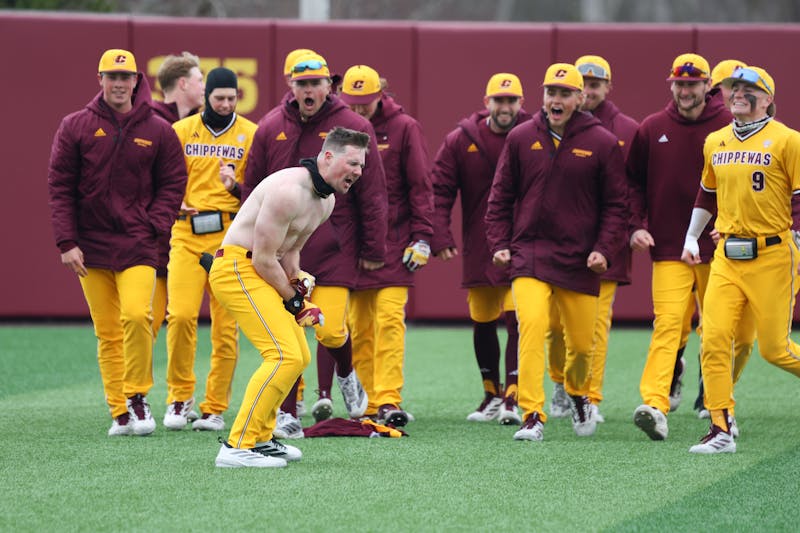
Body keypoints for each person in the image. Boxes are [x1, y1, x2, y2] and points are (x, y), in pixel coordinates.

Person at [243, 52, 388, 438]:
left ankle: (345, 370)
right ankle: (287, 412)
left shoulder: (353, 127)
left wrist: (373, 248)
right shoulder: (270, 125)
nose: (309, 90)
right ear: (290, 84)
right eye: (302, 83)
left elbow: (373, 192)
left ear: (330, 85)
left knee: (329, 329)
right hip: (281, 249)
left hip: (336, 244)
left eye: (316, 83)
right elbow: (251, 184)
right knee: (288, 331)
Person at [211, 126, 370, 468]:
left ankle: (262, 438)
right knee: (283, 354)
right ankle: (236, 446)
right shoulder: (288, 190)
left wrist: (298, 283)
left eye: (361, 166)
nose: (358, 172)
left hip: (261, 270)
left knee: (298, 356)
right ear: (328, 157)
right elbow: (263, 259)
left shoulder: (326, 200)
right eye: (353, 163)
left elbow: (290, 252)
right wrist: (296, 301)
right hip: (236, 268)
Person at [47, 49, 186, 436]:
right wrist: (66, 241)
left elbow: (174, 182)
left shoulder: (158, 129)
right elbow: (60, 187)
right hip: (89, 246)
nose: (119, 84)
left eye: (125, 77)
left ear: (137, 82)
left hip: (138, 244)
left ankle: (137, 396)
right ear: (100, 79)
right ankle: (120, 412)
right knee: (107, 330)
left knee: (138, 316)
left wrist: (154, 225)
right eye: (112, 76)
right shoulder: (75, 125)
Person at [485, 63, 628, 441]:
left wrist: (604, 249)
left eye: (565, 93)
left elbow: (617, 205)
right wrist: (499, 243)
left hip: (581, 259)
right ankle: (533, 413)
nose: (557, 100)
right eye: (551, 92)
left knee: (581, 347)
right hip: (529, 254)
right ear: (543, 96)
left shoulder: (601, 142)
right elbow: (500, 197)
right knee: (530, 327)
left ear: (580, 98)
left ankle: (578, 394)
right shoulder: (519, 137)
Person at [681, 66, 800, 454]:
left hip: (772, 253)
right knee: (713, 340)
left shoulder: (788, 140)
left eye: (749, 89)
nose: (737, 94)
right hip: (728, 256)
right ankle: (720, 426)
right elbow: (706, 194)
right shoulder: (715, 140)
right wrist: (691, 237)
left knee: (774, 349)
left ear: (768, 98)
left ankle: (721, 424)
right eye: (733, 88)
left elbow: (799, 199)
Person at [309, 64, 433, 426]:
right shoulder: (334, 129)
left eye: (367, 102)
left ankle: (389, 399)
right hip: (351, 243)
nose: (360, 110)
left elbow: (421, 187)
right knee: (357, 326)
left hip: (395, 242)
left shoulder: (405, 128)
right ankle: (365, 398)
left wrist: (423, 237)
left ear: (382, 93)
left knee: (390, 320)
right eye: (354, 103)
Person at [626, 53, 733, 441]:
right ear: (671, 85)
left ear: (708, 86)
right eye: (679, 84)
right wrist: (635, 226)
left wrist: (733, 226)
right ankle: (655, 404)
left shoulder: (728, 126)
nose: (685, 90)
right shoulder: (652, 127)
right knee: (668, 324)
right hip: (669, 245)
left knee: (718, 331)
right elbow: (632, 182)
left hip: (719, 247)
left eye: (693, 84)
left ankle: (721, 407)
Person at [431, 73, 530, 425]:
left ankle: (514, 396)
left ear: (522, 103)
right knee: (483, 320)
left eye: (512, 101)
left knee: (520, 319)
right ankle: (491, 391)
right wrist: (439, 235)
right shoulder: (461, 140)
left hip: (525, 242)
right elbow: (439, 189)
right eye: (499, 101)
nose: (505, 107)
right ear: (486, 102)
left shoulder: (535, 136)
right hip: (480, 244)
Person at [163, 67, 258, 431]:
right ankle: (179, 397)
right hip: (186, 232)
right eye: (219, 98)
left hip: (230, 236)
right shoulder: (181, 131)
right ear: (207, 97)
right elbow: (162, 180)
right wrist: (172, 202)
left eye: (231, 98)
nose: (225, 104)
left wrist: (235, 187)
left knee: (225, 327)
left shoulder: (250, 133)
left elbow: (258, 191)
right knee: (182, 316)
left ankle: (214, 407)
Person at [545, 55, 639, 422]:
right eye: (580, 83)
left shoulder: (627, 129)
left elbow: (633, 189)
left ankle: (589, 396)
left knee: (595, 327)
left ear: (607, 87)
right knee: (553, 326)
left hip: (605, 241)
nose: (587, 90)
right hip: (557, 243)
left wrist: (630, 228)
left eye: (594, 84)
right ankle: (559, 382)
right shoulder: (553, 124)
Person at [148, 52, 205, 369]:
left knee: (186, 320)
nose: (203, 87)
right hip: (156, 246)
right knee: (146, 324)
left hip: (195, 240)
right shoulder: (149, 122)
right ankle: (130, 396)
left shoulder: (205, 125)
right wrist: (166, 201)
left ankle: (182, 396)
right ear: (182, 83)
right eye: (199, 80)